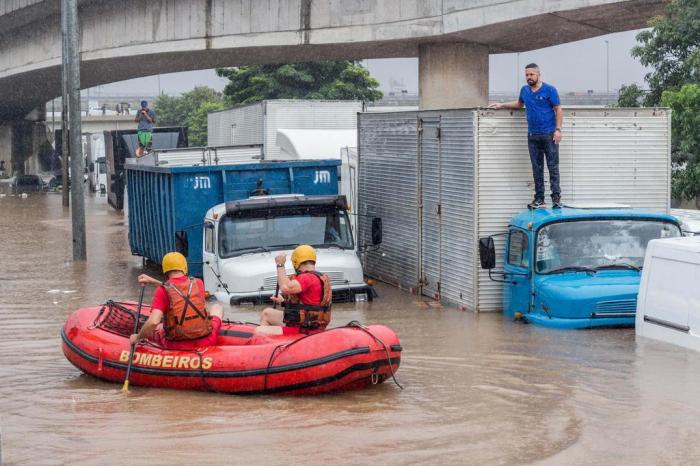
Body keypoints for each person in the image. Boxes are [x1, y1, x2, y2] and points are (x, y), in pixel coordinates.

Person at [489, 63, 563, 209]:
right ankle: (539, 198)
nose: (529, 77)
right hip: (533, 136)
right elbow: (519, 104)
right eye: (527, 75)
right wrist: (501, 105)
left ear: (538, 74)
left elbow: (558, 109)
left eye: (531, 75)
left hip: (549, 135)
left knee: (553, 167)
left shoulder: (550, 90)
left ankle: (556, 198)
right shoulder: (524, 90)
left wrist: (558, 129)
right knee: (537, 168)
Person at [129, 252, 224, 350]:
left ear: (165, 270)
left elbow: (153, 321)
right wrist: (153, 282)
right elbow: (177, 288)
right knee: (217, 307)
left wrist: (137, 337)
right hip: (207, 340)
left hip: (177, 345)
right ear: (185, 267)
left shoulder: (161, 291)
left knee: (159, 328)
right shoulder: (198, 283)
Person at [257, 245, 332, 336]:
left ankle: (272, 347)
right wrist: (283, 301)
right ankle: (273, 344)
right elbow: (307, 304)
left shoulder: (307, 278)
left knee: (258, 330)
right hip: (308, 323)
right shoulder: (316, 277)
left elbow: (285, 288)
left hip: (304, 329)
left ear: (296, 262)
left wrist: (280, 264)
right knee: (267, 313)